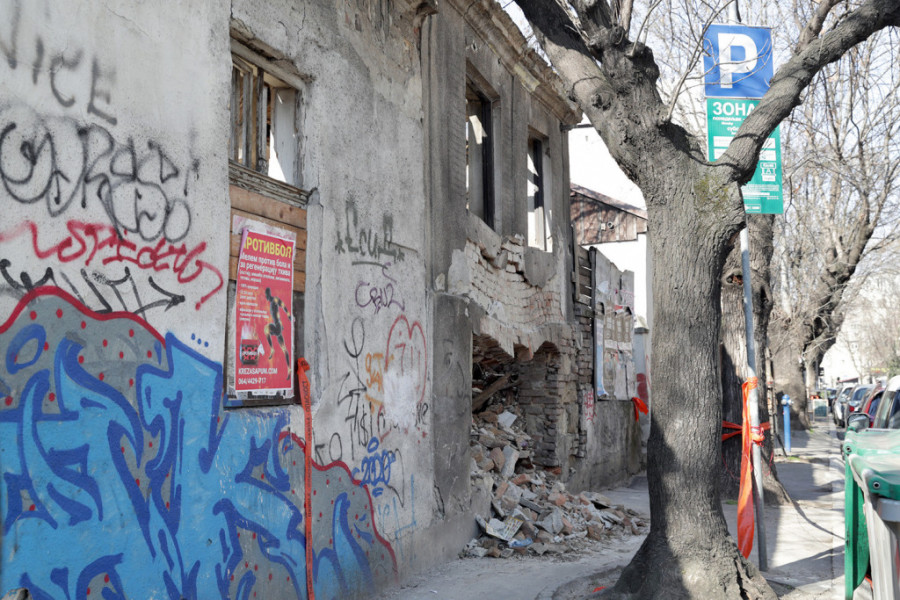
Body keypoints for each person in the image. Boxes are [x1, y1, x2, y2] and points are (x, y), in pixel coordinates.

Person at [264, 287, 292, 374]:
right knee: (284, 349)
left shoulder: (274, 300)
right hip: (277, 329)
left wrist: (288, 316)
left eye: (266, 295)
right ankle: (289, 368)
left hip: (277, 326)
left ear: (268, 294)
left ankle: (272, 349)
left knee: (266, 328)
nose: (266, 298)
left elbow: (283, 305)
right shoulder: (271, 303)